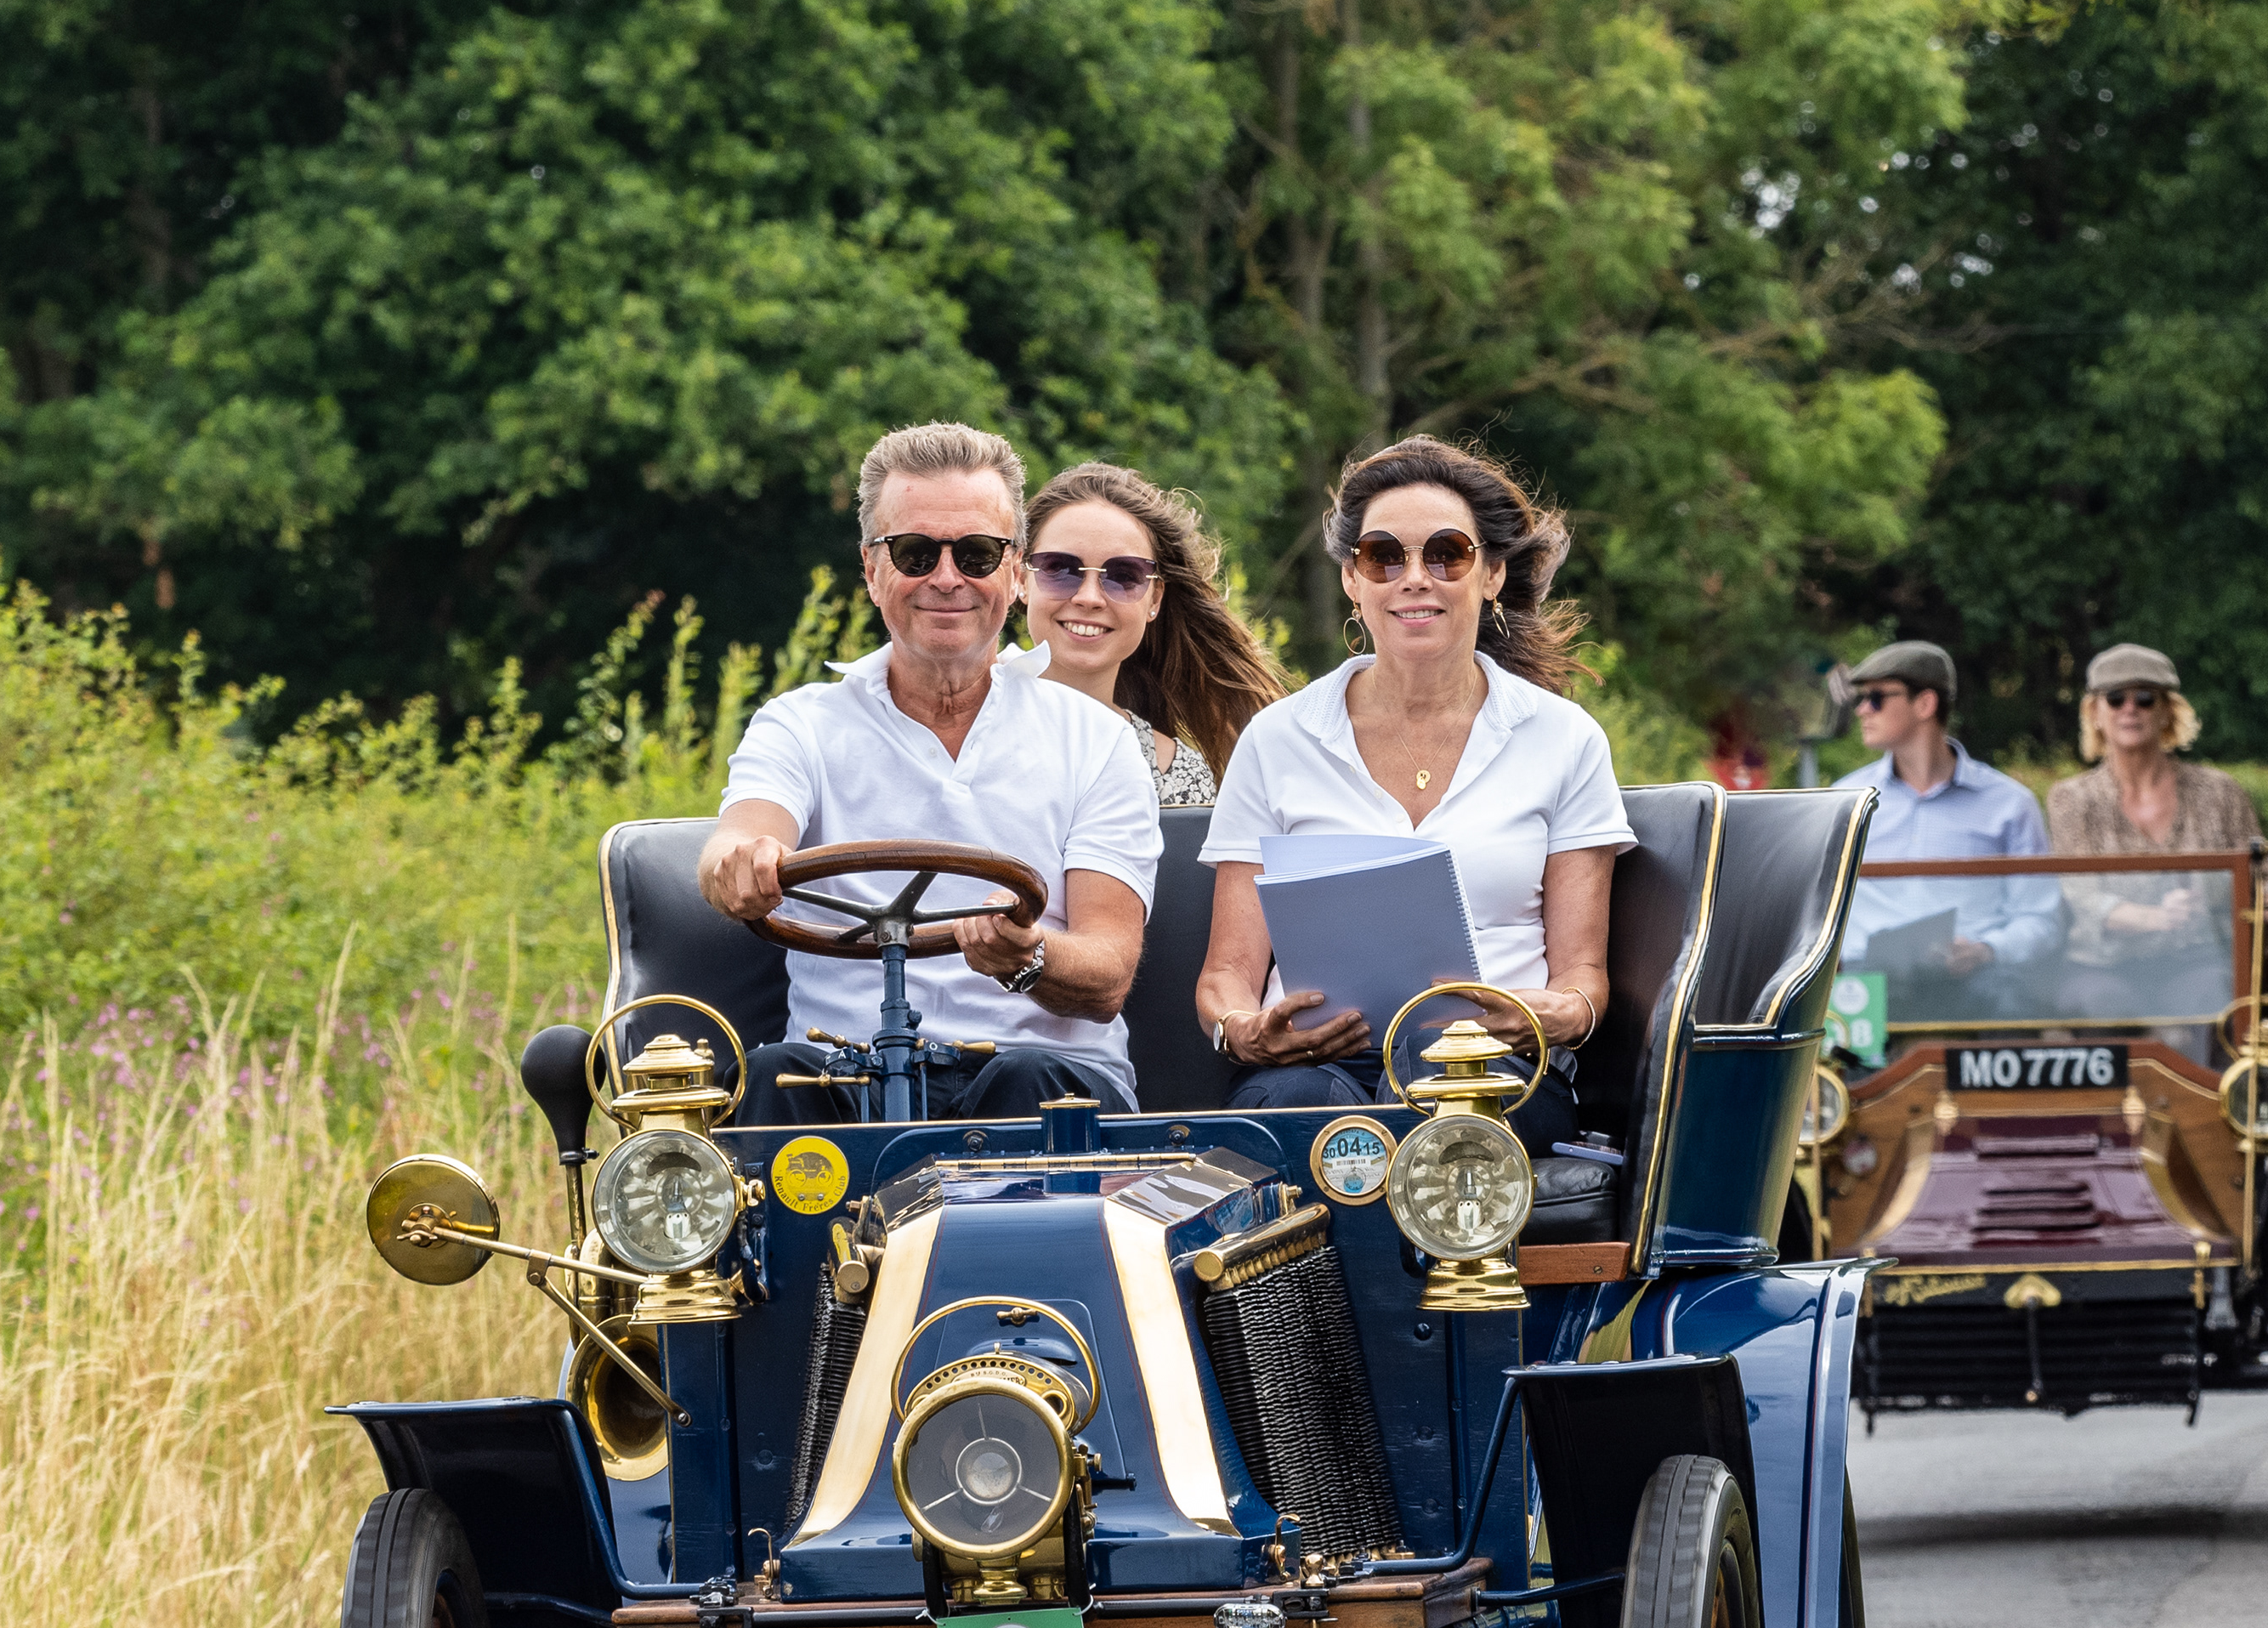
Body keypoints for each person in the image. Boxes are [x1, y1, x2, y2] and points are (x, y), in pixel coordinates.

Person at [697, 422, 1161, 1124]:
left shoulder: (1093, 740)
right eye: (916, 553)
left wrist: (1026, 955)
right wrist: (741, 865)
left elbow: (1106, 972)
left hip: (1036, 1073)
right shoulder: (801, 725)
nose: (947, 579)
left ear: (1014, 570)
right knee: (771, 1075)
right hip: (842, 1077)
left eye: (976, 554)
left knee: (1034, 1081)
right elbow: (738, 839)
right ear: (872, 568)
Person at [1192, 436, 1629, 1150]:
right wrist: (1244, 1032)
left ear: (1490, 574)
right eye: (1383, 557)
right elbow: (1226, 976)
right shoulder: (1278, 740)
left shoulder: (1565, 739)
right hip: (1311, 1062)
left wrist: (1552, 1015)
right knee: (1300, 1104)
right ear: (1352, 581)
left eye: (1446, 554)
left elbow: (1584, 979)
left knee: (1445, 1088)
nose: (1413, 577)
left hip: (1491, 1064)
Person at [2044, 640, 2268, 1022]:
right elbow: (2077, 896)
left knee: (2214, 997)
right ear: (2094, 713)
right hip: (2103, 965)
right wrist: (2152, 918)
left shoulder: (2220, 794)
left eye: (2145, 698)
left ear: (2167, 713)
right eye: (2115, 698)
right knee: (2099, 1005)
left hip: (2197, 961)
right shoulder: (2071, 800)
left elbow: (2257, 881)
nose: (2130, 709)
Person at [998, 462, 1288, 805]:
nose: (1089, 598)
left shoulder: (1180, 779)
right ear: (1020, 578)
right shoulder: (956, 727)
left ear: (1155, 599)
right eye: (1059, 569)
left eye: (1124, 576)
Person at [1829, 639, 2061, 1020]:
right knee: (1841, 1041)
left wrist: (1986, 949)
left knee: (2011, 1002)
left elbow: (2041, 917)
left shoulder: (2009, 803)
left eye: (1875, 698)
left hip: (1977, 981)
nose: (1861, 711)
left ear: (1925, 704)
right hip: (1868, 985)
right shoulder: (1846, 802)